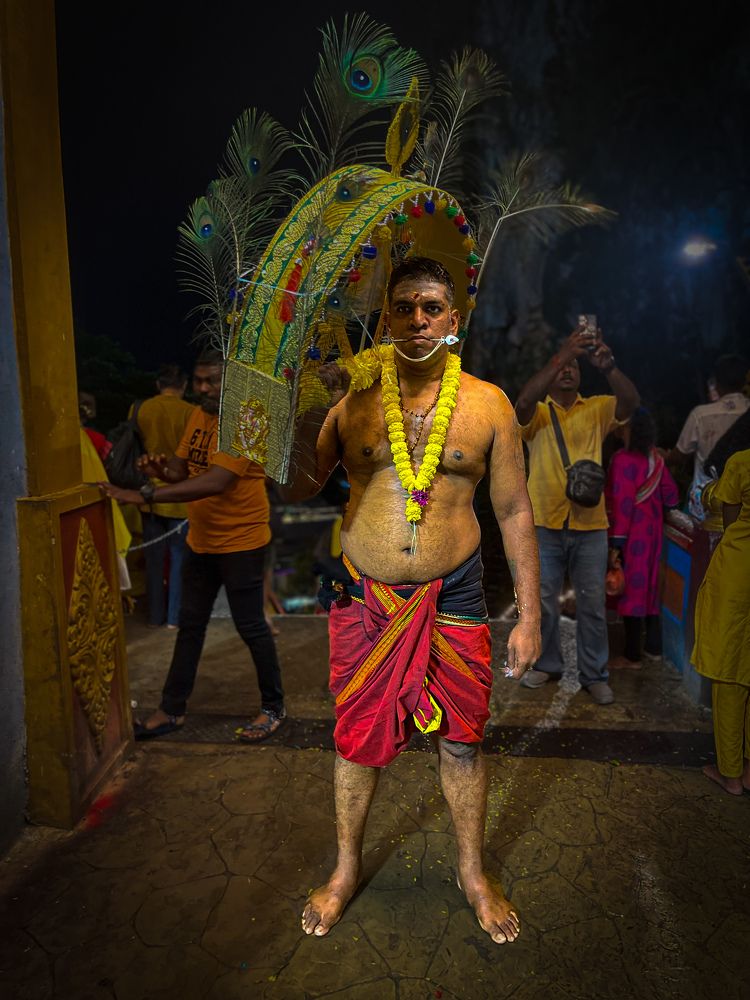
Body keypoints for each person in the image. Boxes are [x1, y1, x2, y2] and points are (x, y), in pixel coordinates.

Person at [281, 257, 541, 946]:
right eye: (404, 307)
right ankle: (344, 872)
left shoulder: (489, 403)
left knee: (461, 741)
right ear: (386, 317)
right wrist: (311, 403)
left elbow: (514, 509)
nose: (418, 319)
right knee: (357, 744)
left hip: (455, 591)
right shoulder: (353, 401)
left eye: (431, 308)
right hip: (367, 592)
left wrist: (532, 614)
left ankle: (473, 873)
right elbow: (299, 488)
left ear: (454, 320)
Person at [100, 349, 285, 743]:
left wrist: (146, 495)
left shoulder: (247, 418)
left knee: (251, 626)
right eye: (198, 380)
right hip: (202, 539)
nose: (202, 387)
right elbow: (183, 470)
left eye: (211, 380)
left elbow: (217, 481)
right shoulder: (199, 414)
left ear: (231, 381)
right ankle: (172, 709)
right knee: (190, 627)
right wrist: (159, 471)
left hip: (242, 541)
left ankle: (273, 707)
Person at [514, 322, 640, 704]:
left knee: (592, 604)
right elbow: (520, 405)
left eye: (574, 367)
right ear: (553, 371)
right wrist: (562, 356)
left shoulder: (598, 408)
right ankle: (547, 664)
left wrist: (609, 368)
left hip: (591, 526)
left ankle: (595, 673)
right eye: (563, 367)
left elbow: (631, 404)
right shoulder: (536, 413)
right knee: (544, 603)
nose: (569, 370)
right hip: (544, 524)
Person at [691, 448, 750, 796]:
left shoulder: (742, 462)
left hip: (738, 573)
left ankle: (730, 773)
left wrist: (710, 491)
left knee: (729, 673)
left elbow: (730, 520)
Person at [605, 408, 679, 668]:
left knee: (630, 591)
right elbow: (671, 495)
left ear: (627, 428)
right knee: (648, 589)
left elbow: (622, 504)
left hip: (632, 535)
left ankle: (632, 655)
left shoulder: (622, 460)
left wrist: (617, 543)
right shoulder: (656, 459)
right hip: (653, 534)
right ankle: (653, 648)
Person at [133, 363, 195, 628]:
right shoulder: (192, 413)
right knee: (180, 561)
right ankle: (173, 619)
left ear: (158, 385)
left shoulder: (140, 408)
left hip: (150, 494)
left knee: (154, 561)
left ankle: (155, 617)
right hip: (181, 497)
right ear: (184, 386)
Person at [669, 353, 749, 520]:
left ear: (716, 383)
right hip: (743, 505)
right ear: (743, 382)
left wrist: (665, 456)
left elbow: (679, 456)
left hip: (704, 504)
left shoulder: (701, 415)